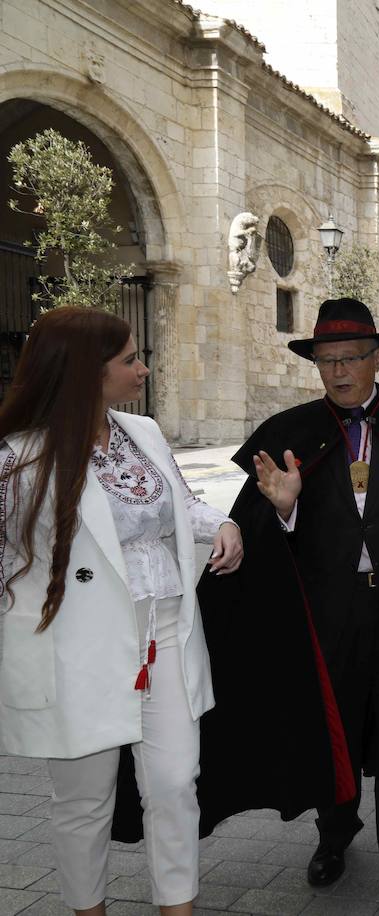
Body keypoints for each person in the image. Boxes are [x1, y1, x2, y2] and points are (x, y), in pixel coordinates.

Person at [226, 298, 379, 916]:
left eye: (350, 359)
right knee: (332, 731)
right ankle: (334, 837)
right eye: (326, 361)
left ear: (378, 357)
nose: (337, 372)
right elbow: (247, 526)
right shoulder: (287, 434)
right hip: (325, 616)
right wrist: (283, 509)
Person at [0, 308, 242, 916]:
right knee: (84, 799)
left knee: (174, 783)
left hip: (163, 630)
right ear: (86, 371)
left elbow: (181, 508)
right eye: (130, 359)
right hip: (76, 643)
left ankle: (177, 908)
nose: (144, 368)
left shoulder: (145, 431)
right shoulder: (19, 458)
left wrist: (228, 524)